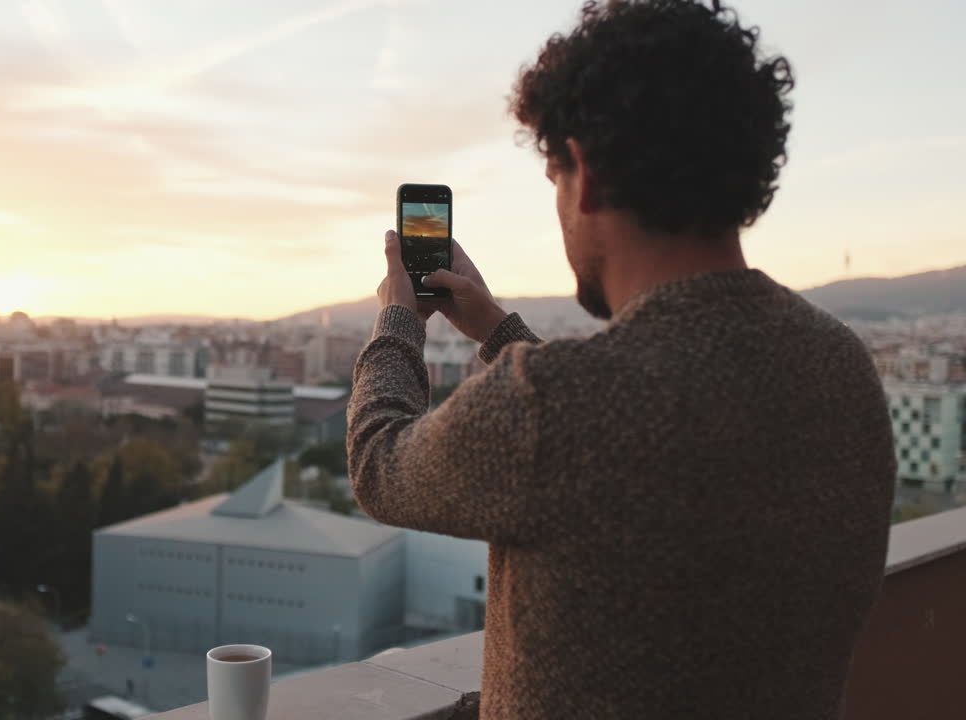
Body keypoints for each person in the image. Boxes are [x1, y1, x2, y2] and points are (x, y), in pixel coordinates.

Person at [346, 1, 895, 718]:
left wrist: (396, 318)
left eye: (555, 184)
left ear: (586, 172)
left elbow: (378, 463)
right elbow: (638, 426)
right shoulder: (841, 367)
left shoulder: (552, 406)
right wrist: (494, 325)